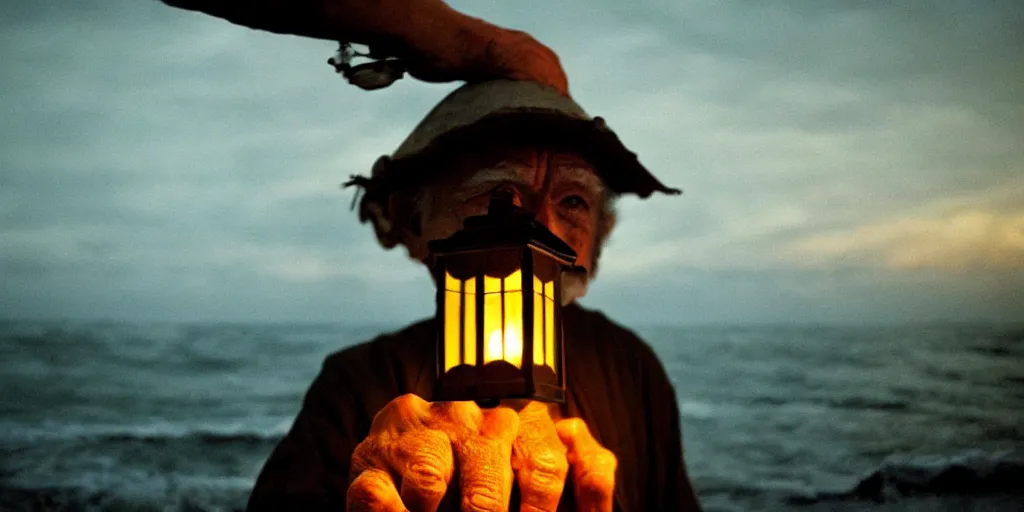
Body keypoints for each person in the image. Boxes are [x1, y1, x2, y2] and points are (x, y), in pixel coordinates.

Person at [161, 2, 703, 511]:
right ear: (413, 223)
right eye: (499, 197)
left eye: (574, 201)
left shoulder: (627, 363)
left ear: (599, 235)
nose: (539, 230)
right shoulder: (358, 382)